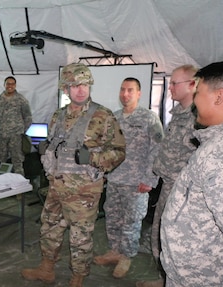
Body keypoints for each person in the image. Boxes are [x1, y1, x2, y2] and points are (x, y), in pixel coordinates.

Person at [21, 63, 126, 287]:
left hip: (84, 193)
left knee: (80, 238)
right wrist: (46, 151)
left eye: (85, 85)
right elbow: (54, 145)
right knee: (49, 228)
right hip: (57, 187)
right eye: (75, 85)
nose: (81, 90)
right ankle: (47, 269)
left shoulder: (103, 115)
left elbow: (119, 152)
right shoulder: (57, 115)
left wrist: (94, 159)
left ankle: (78, 278)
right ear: (66, 89)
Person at [160, 61, 223, 287]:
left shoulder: (219, 153)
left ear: (219, 97)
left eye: (199, 92)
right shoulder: (213, 143)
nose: (195, 101)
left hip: (201, 276)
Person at [94, 78, 164, 278]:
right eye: (123, 89)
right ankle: (115, 251)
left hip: (136, 182)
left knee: (131, 220)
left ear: (139, 93)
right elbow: (107, 148)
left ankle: (127, 256)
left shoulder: (148, 118)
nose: (125, 94)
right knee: (113, 217)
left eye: (130, 90)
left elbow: (157, 149)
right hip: (115, 179)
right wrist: (105, 173)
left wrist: (150, 180)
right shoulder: (114, 118)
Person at [136, 65, 198, 287]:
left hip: (186, 193)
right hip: (168, 186)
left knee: (177, 241)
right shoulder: (179, 115)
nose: (169, 87)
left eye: (174, 83)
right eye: (170, 83)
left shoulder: (199, 119)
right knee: (160, 236)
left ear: (192, 85)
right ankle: (164, 279)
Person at [0, 76, 32, 176]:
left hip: (16, 136)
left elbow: (28, 117)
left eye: (12, 84)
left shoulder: (21, 100)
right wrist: (2, 126)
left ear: (15, 85)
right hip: (1, 135)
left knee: (17, 161)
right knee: (0, 161)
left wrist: (22, 131)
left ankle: (20, 185)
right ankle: (0, 182)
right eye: (8, 84)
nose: (10, 86)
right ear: (4, 85)